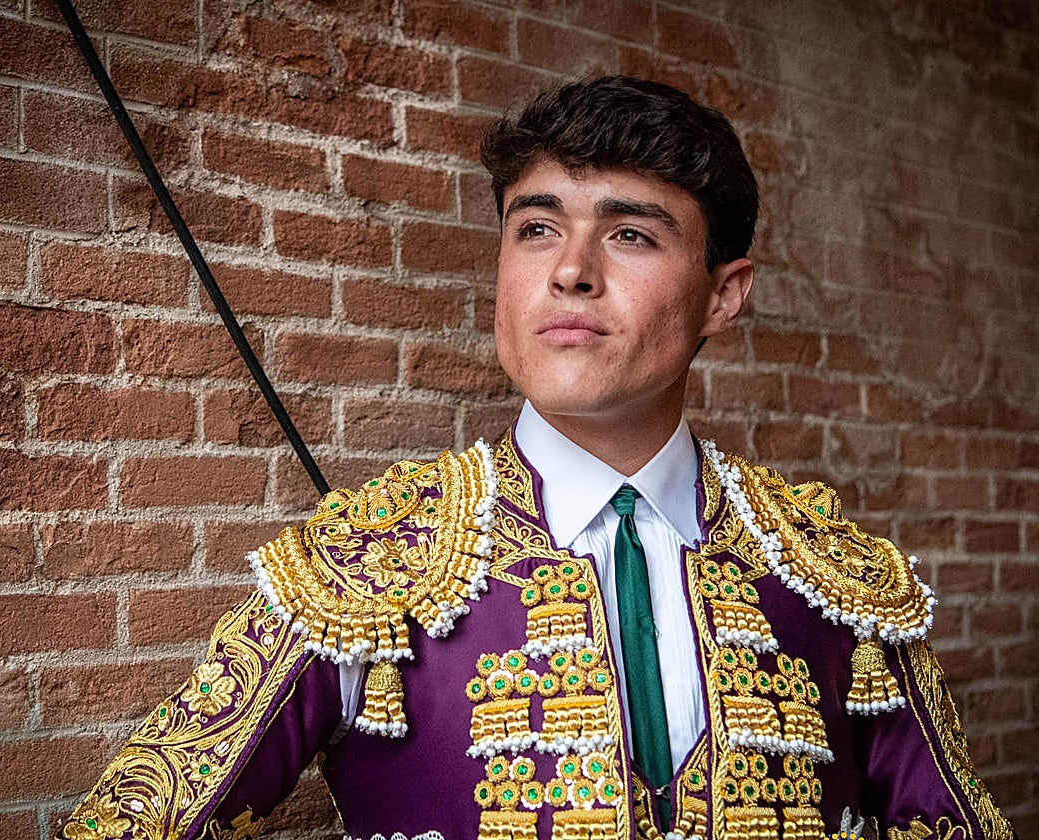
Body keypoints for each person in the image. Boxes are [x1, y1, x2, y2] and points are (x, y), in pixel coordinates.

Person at [58, 77, 1013, 840]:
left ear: (724, 295)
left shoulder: (833, 576)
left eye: (630, 233)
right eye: (537, 227)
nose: (570, 269)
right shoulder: (367, 564)